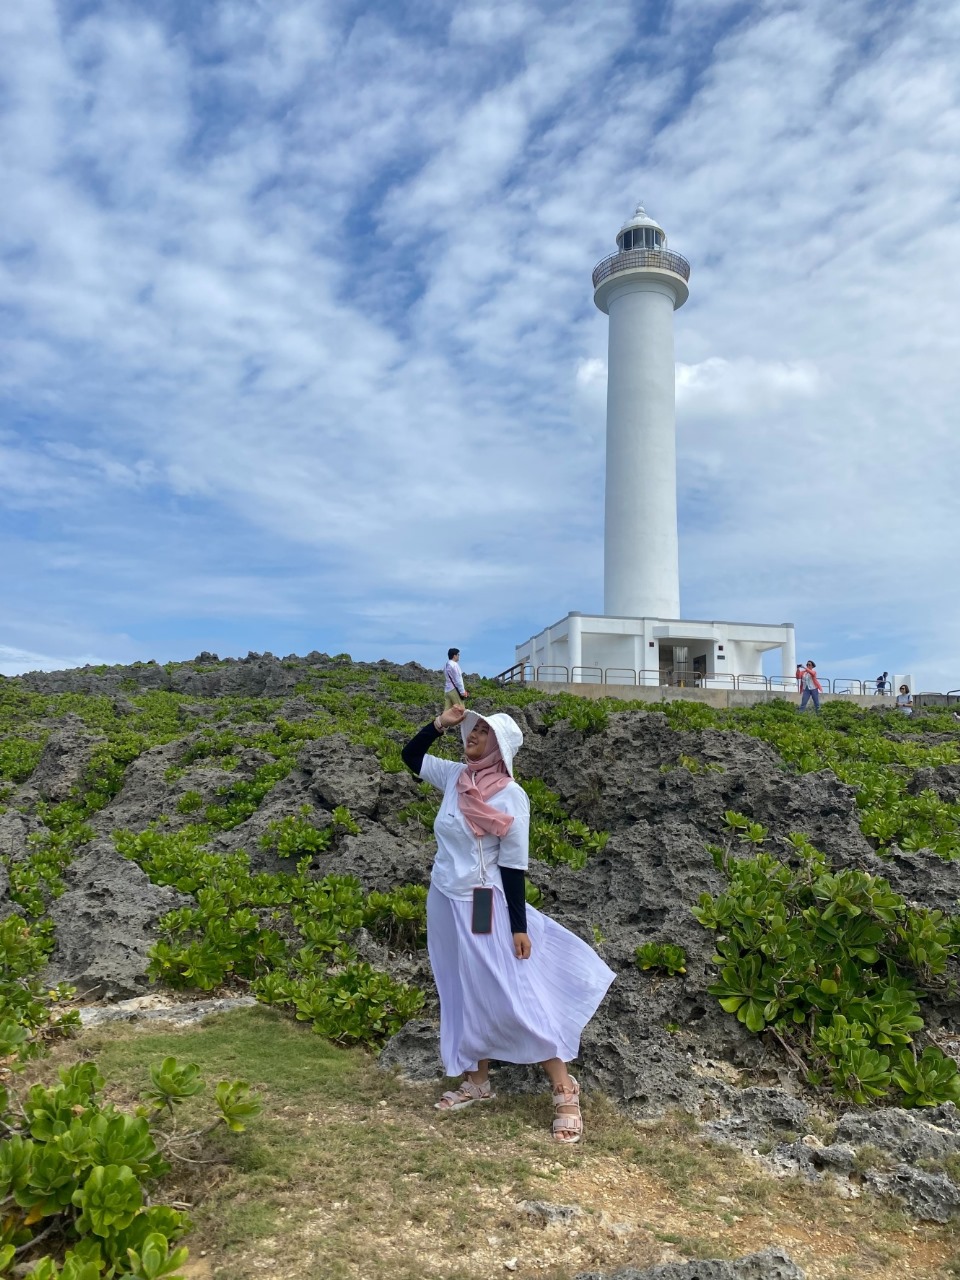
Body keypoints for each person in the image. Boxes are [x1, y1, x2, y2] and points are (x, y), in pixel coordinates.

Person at [401, 704, 615, 1144]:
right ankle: (477, 1082)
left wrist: (518, 926)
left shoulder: (510, 795)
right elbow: (411, 756)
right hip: (443, 896)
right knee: (460, 986)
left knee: (511, 991)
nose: (473, 734)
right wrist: (440, 723)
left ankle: (564, 1089)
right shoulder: (454, 778)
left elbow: (514, 865)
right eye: (471, 729)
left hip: (483, 902)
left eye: (483, 731)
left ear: (500, 744)